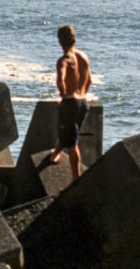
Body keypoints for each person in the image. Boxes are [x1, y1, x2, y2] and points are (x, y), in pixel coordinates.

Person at [49, 24, 91, 182]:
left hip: (70, 102)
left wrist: (63, 93)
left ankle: (75, 180)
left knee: (73, 143)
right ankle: (55, 153)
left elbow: (60, 80)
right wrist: (82, 93)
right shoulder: (83, 56)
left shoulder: (64, 60)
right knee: (69, 132)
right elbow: (90, 80)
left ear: (60, 41)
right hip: (83, 102)